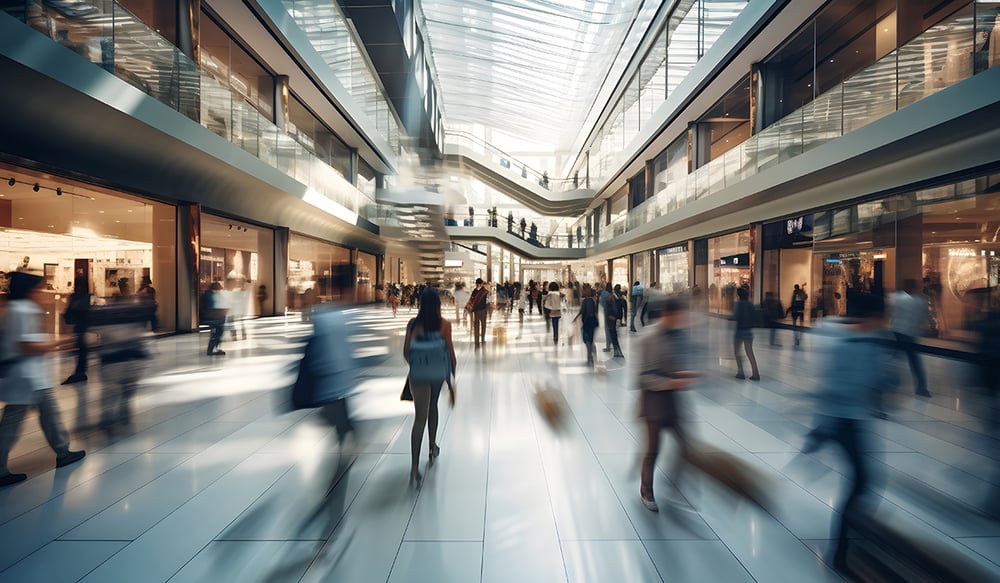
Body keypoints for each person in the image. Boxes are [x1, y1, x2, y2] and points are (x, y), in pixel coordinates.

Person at [801, 293, 894, 574]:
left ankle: (853, 534)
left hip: (852, 419)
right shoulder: (848, 345)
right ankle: (841, 551)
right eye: (884, 316)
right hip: (843, 421)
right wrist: (823, 430)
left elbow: (879, 379)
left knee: (864, 481)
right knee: (862, 481)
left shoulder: (871, 341)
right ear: (872, 317)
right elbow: (834, 388)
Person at [0, 272, 85, 487]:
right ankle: (62, 452)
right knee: (35, 418)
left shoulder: (14, 309)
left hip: (25, 376)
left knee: (38, 417)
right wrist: (56, 344)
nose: (42, 293)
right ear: (29, 290)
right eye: (39, 289)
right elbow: (25, 345)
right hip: (29, 376)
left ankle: (62, 450)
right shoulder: (23, 310)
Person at [637, 297, 701, 512]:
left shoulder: (679, 335)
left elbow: (676, 364)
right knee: (653, 449)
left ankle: (674, 488)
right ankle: (646, 489)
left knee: (685, 446)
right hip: (653, 402)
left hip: (673, 400)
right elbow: (643, 378)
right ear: (666, 314)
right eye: (677, 315)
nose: (680, 320)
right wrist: (672, 381)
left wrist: (687, 374)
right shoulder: (649, 338)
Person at [403, 287, 457, 487]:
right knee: (433, 407)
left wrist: (418, 366)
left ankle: (415, 467)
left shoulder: (413, 324)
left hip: (418, 375)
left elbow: (406, 352)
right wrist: (451, 383)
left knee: (419, 418)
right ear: (438, 305)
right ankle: (432, 448)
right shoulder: (444, 325)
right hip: (437, 374)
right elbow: (451, 355)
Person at [890, 279, 931, 397]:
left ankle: (891, 384)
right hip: (910, 333)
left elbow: (892, 314)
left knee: (893, 360)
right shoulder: (920, 300)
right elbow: (923, 318)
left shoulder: (896, 298)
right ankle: (922, 387)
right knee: (915, 361)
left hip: (897, 331)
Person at [62, 277, 91, 384]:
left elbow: (72, 311)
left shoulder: (78, 298)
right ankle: (80, 371)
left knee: (81, 348)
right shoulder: (84, 297)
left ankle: (80, 371)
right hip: (82, 326)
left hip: (80, 326)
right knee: (81, 349)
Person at [732, 286, 760, 380]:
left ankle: (741, 372)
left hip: (740, 330)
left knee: (737, 351)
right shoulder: (750, 304)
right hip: (748, 331)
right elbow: (755, 316)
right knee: (750, 352)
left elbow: (735, 316)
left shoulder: (738, 304)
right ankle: (755, 373)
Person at [574, 283, 599, 366]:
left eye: (585, 290)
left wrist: (576, 318)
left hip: (588, 322)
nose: (583, 291)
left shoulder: (588, 301)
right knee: (589, 340)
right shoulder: (591, 300)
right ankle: (590, 353)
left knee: (587, 340)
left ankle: (589, 355)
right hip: (591, 321)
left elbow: (584, 311)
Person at [202, 282, 228, 356]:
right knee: (215, 334)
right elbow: (213, 305)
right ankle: (211, 349)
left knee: (218, 333)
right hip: (214, 318)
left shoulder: (214, 295)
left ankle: (215, 348)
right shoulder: (210, 295)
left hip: (217, 317)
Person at [602, 283, 624, 358]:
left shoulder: (610, 297)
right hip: (612, 318)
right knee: (613, 334)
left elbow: (610, 309)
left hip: (611, 318)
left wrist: (611, 316)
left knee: (613, 334)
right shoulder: (615, 297)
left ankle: (617, 351)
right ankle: (617, 351)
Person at [466, 278, 489, 348]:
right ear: (481, 284)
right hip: (482, 310)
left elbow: (471, 300)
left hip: (476, 311)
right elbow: (488, 301)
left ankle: (477, 340)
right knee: (483, 325)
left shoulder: (474, 292)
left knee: (476, 325)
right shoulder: (485, 292)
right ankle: (482, 339)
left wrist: (470, 307)